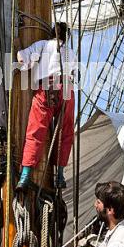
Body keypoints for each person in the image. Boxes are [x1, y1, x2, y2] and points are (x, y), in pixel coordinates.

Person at [16, 22, 77, 191]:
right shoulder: (71, 53)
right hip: (67, 91)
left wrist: (21, 57)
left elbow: (22, 59)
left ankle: (25, 176)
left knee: (35, 132)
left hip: (46, 89)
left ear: (51, 33)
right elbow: (74, 75)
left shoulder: (42, 45)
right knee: (65, 133)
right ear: (66, 36)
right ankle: (59, 175)